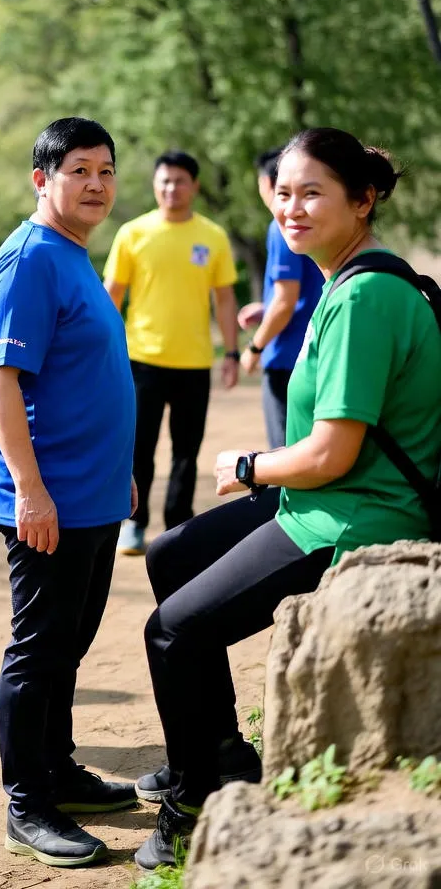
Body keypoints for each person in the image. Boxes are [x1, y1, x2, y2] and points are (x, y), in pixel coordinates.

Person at [133, 127, 441, 872]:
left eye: (312, 194)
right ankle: (222, 756)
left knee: (170, 633)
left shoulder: (364, 296)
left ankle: (194, 809)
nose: (291, 209)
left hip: (357, 513)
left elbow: (331, 452)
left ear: (362, 202)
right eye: (283, 193)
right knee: (172, 555)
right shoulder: (344, 280)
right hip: (325, 497)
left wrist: (250, 462)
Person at [0, 117, 139, 868]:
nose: (97, 185)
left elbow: (87, 375)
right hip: (48, 499)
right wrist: (30, 491)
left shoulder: (76, 255)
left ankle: (61, 770)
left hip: (93, 492)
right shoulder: (31, 260)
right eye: (80, 170)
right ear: (42, 179)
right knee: (39, 650)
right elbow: (0, 379)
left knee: (69, 646)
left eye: (107, 170)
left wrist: (119, 470)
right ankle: (27, 802)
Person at [104, 150, 240, 555]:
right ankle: (134, 521)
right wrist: (102, 350)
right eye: (163, 181)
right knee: (139, 447)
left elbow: (226, 300)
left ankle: (179, 527)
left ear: (194, 186)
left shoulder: (212, 236)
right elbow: (111, 295)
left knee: (186, 451)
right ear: (154, 185)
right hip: (141, 359)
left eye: (179, 181)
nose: (171, 188)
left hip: (194, 362)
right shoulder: (133, 233)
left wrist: (232, 353)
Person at [238, 148, 324, 448]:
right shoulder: (317, 222)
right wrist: (265, 308)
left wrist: (254, 346)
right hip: (316, 353)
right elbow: (302, 293)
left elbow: (286, 301)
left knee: (285, 451)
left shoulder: (283, 224)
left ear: (266, 181)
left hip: (287, 357)